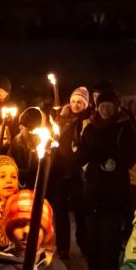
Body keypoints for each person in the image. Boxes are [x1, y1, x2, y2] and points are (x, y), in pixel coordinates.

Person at [78, 89, 136, 270]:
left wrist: (117, 161)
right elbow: (83, 152)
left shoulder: (124, 128)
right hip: (94, 188)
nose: (105, 110)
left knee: (110, 238)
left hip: (115, 188)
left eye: (109, 106)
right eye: (102, 106)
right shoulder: (90, 128)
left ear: (116, 107)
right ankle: (94, 268)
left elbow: (131, 156)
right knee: (93, 235)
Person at [52, 87, 91, 260]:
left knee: (80, 211)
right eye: (74, 101)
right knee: (60, 212)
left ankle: (84, 244)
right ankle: (63, 247)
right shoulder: (60, 119)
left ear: (85, 105)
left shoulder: (87, 121)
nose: (76, 105)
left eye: (80, 102)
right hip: (60, 170)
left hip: (77, 172)